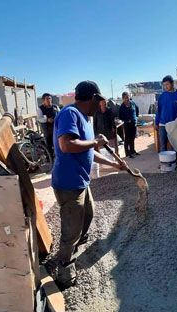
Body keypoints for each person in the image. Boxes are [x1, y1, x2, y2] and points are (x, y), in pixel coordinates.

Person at [52, 80, 127, 289]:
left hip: (81, 181)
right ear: (93, 98)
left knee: (89, 214)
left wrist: (113, 163)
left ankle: (74, 250)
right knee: (71, 230)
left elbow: (88, 150)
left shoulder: (85, 118)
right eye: (99, 100)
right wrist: (95, 142)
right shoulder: (70, 114)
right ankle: (64, 271)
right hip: (68, 183)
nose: (100, 105)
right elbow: (66, 144)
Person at [155, 75, 177, 152]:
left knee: (174, 145)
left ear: (172, 83)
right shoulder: (161, 96)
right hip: (162, 124)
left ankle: (173, 163)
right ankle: (164, 163)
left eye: (167, 84)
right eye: (164, 85)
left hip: (174, 125)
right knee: (163, 145)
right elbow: (158, 111)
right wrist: (156, 122)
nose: (166, 87)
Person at [37, 93, 59, 158]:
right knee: (49, 143)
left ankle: (58, 155)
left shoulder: (55, 107)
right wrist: (47, 120)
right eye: (47, 99)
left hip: (56, 127)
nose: (49, 100)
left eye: (50, 98)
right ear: (43, 100)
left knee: (57, 142)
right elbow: (39, 118)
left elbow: (59, 114)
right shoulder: (40, 109)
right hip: (47, 128)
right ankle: (50, 157)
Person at [119, 92, 140, 158]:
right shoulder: (122, 107)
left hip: (133, 123)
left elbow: (137, 109)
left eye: (127, 97)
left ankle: (132, 150)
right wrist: (127, 120)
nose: (127, 99)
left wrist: (136, 117)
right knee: (127, 139)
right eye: (125, 98)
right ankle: (127, 153)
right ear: (123, 99)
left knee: (132, 137)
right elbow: (120, 117)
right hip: (127, 124)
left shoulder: (132, 103)